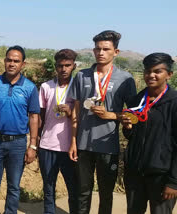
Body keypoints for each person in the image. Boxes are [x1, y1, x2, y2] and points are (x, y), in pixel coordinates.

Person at [68, 30, 136, 214]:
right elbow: (75, 111)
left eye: (106, 49)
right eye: (98, 49)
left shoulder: (125, 79)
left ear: (116, 52)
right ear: (93, 50)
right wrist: (73, 141)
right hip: (83, 145)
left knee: (106, 194)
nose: (101, 53)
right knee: (82, 192)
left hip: (109, 147)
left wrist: (112, 115)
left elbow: (134, 114)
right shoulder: (82, 76)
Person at [0, 45, 40, 214]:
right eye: (9, 60)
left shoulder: (29, 87)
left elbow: (34, 116)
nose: (12, 64)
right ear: (4, 61)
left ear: (23, 64)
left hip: (18, 143)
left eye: (16, 61)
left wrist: (33, 145)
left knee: (14, 185)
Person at [121, 53, 177, 214]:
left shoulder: (174, 102)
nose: (151, 75)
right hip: (135, 174)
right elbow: (132, 137)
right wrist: (128, 128)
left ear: (169, 74)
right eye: (147, 71)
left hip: (161, 176)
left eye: (157, 71)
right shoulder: (136, 101)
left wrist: (173, 182)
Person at [38, 49, 78, 214]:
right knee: (48, 186)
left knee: (73, 187)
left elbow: (83, 116)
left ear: (74, 66)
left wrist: (71, 112)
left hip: (70, 146)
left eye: (68, 65)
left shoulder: (79, 87)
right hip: (47, 145)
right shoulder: (46, 86)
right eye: (60, 65)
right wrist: (35, 142)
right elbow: (40, 116)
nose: (64, 69)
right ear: (56, 66)